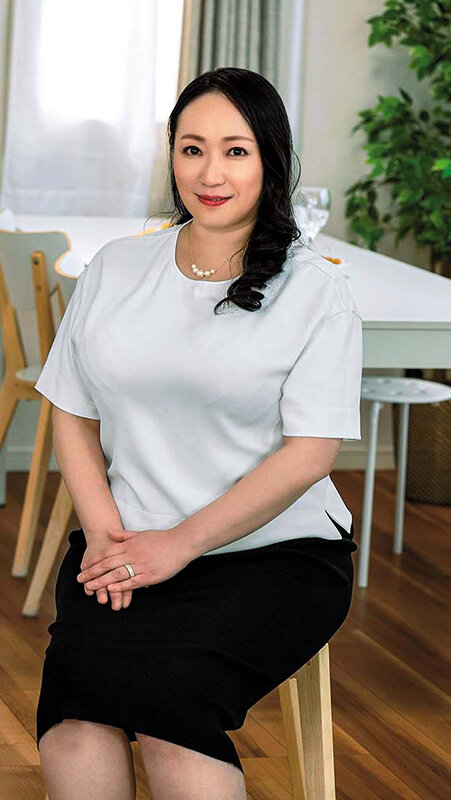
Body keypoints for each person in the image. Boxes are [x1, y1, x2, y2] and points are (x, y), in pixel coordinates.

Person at [34, 67, 363, 800]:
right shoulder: (117, 268)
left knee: (168, 714)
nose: (210, 174)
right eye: (192, 149)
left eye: (235, 151)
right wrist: (106, 537)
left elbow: (311, 455)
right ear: (172, 157)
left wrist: (178, 546)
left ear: (270, 160)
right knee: (74, 718)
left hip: (272, 554)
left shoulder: (316, 291)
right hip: (124, 541)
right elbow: (73, 412)